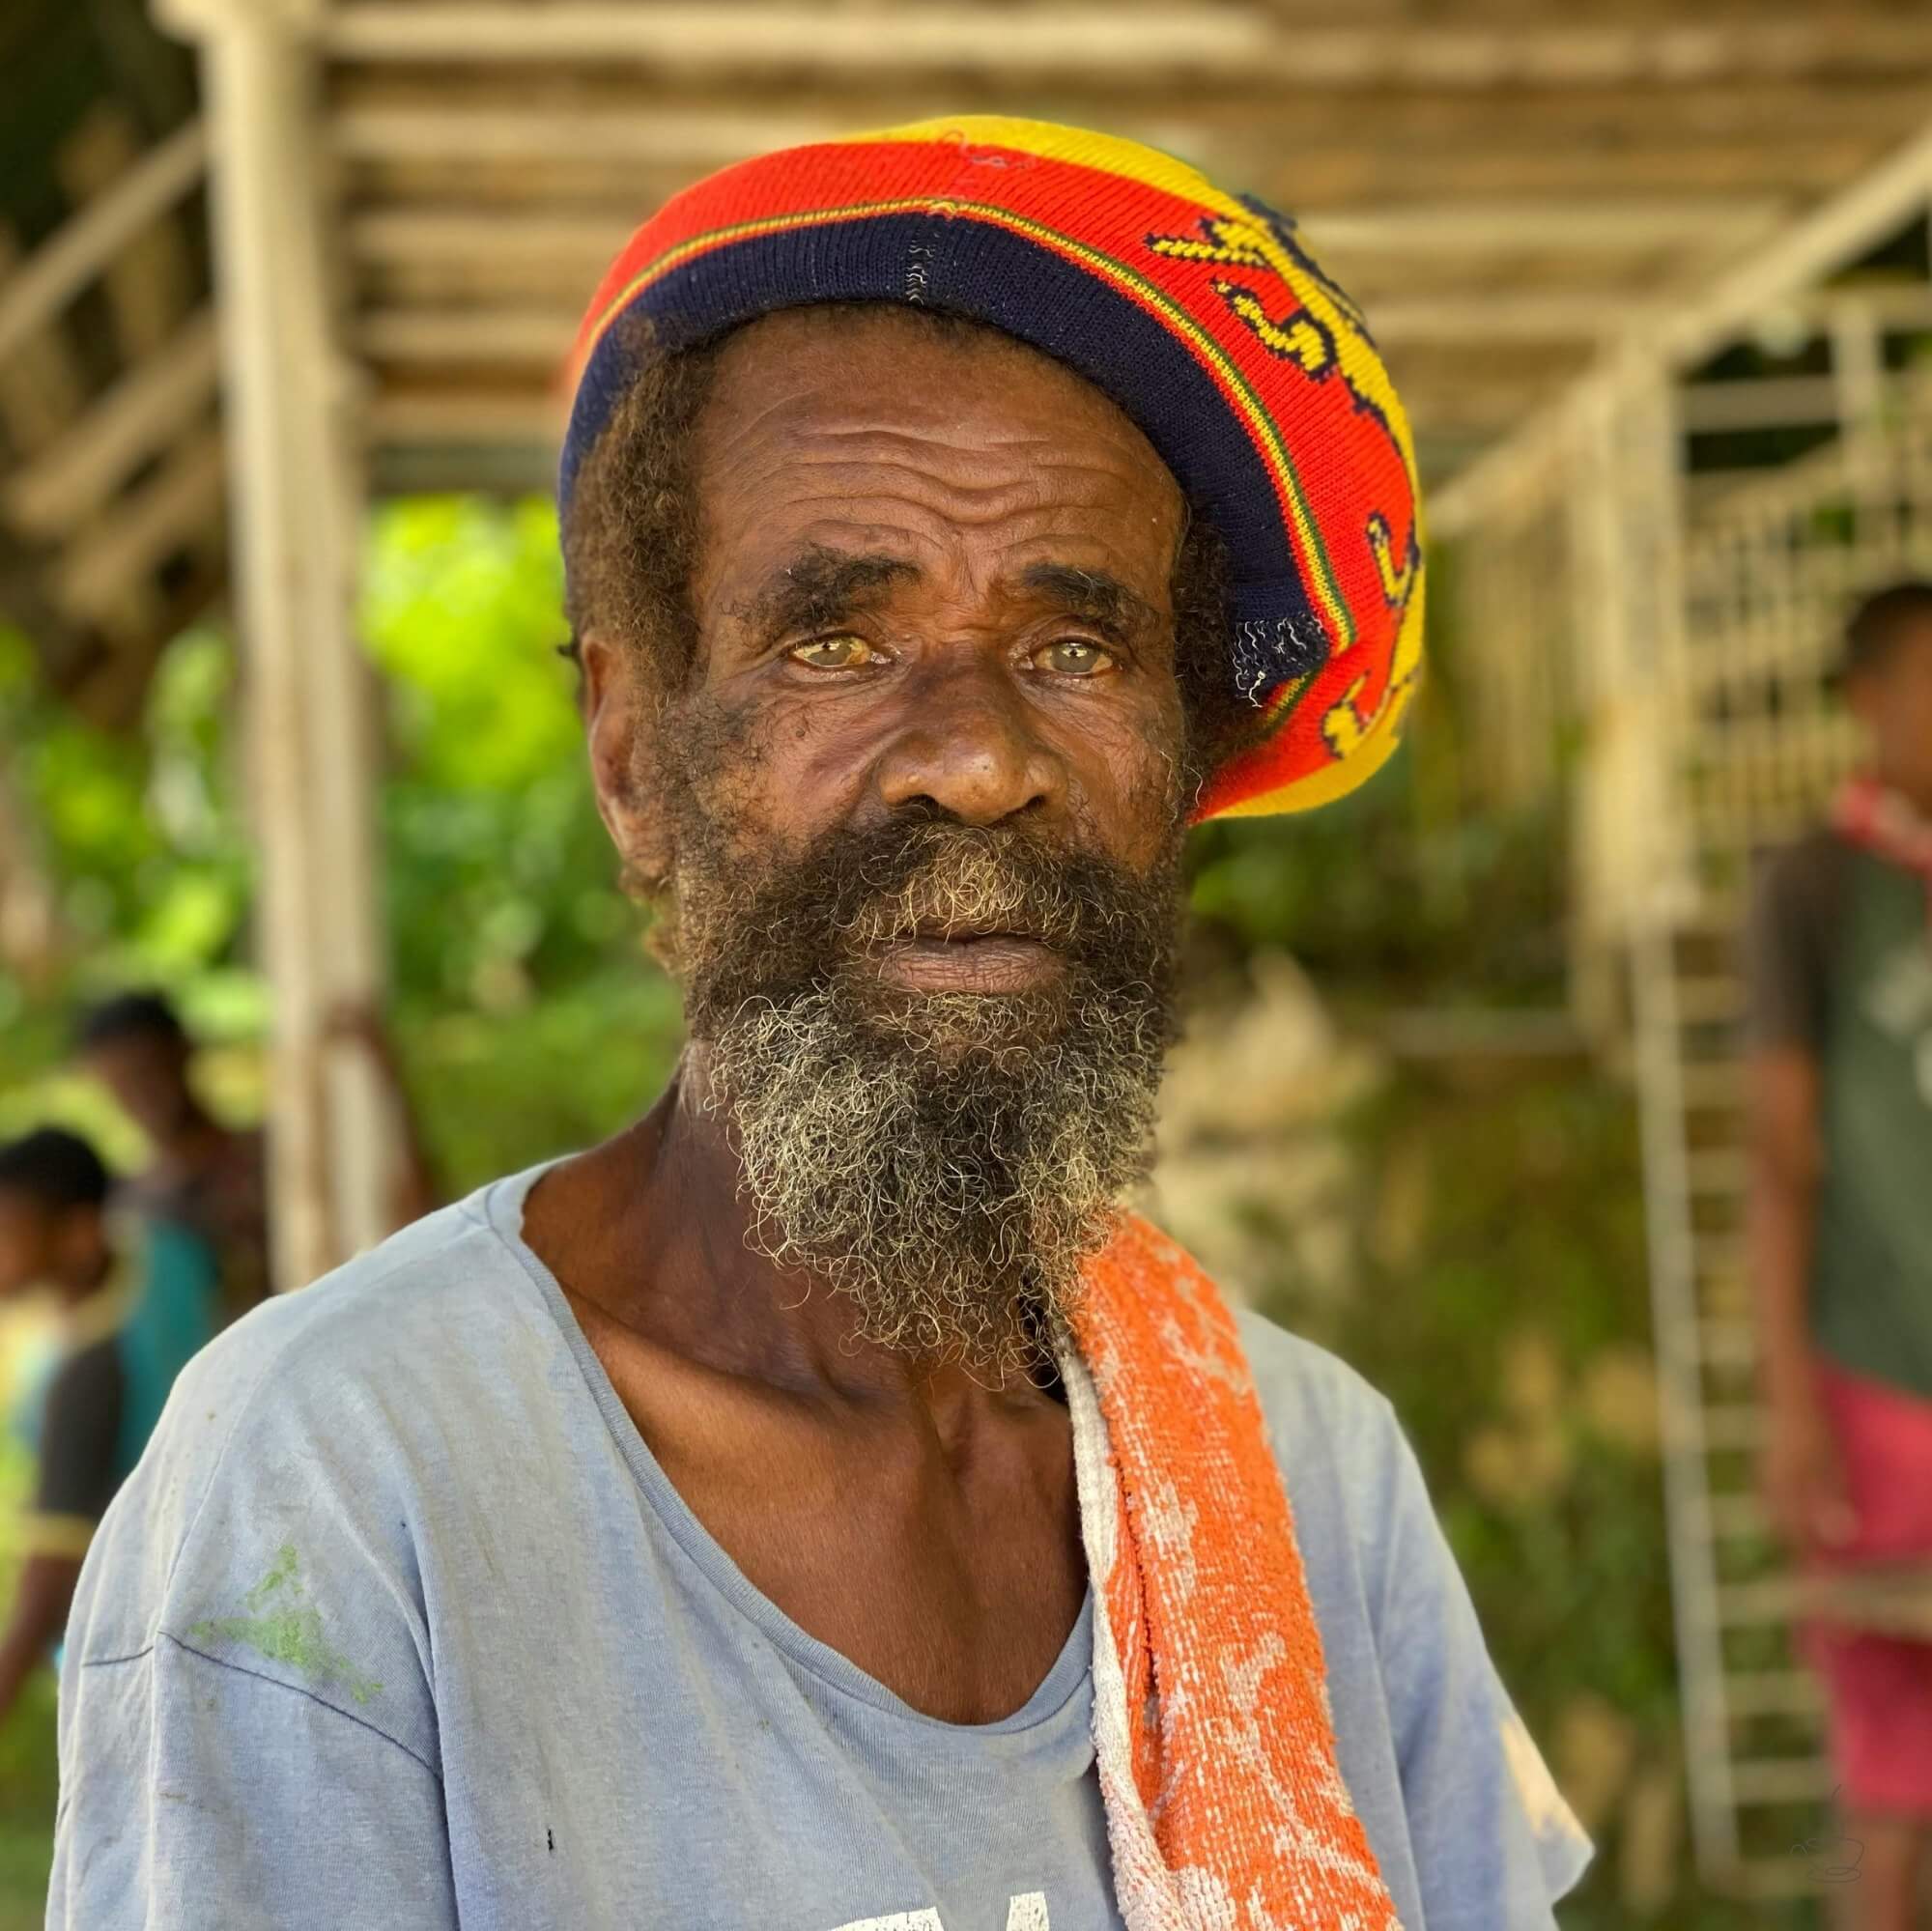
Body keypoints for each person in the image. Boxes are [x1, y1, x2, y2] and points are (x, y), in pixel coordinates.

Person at [52, 119, 1589, 1929]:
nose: (979, 758)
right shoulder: (337, 1484)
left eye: (1079, 651)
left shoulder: (1308, 1476)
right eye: (838, 643)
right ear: (635, 757)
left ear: (1180, 772)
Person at [1749, 581, 1932, 1931]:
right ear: (1864, 703)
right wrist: (1788, 1400)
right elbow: (1780, 1156)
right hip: (1881, 1380)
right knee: (1892, 1777)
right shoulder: (1814, 887)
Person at [0, 1128, 220, 1725]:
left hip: (146, 1640)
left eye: (7, 1235)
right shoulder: (168, 1255)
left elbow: (52, 1571)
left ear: (76, 1235)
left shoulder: (85, 1373)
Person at [75, 991, 273, 1314]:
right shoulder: (126, 1209)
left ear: (183, 1050)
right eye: (122, 1082)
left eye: (148, 1071)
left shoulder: (269, 1153)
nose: (142, 1093)